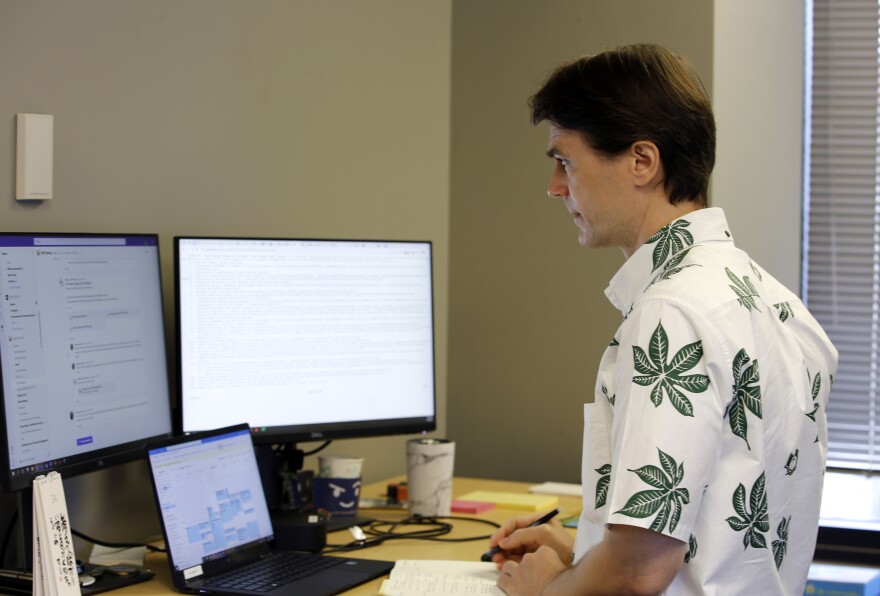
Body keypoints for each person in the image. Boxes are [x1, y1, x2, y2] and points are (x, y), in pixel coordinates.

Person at [488, 43, 838, 595]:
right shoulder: (777, 304)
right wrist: (581, 552)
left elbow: (639, 572)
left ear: (641, 162)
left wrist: (547, 590)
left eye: (566, 161)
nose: (556, 187)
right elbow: (711, 530)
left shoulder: (670, 314)